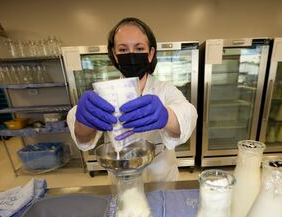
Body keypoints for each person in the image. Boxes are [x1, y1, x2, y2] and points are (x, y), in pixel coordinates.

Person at [67, 17, 197, 182]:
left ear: (150, 54)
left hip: (162, 180)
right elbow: (83, 138)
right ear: (115, 54)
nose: (131, 55)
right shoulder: (105, 93)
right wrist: (82, 120)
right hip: (122, 181)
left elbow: (188, 114)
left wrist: (166, 116)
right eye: (123, 50)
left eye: (139, 48)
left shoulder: (165, 90)